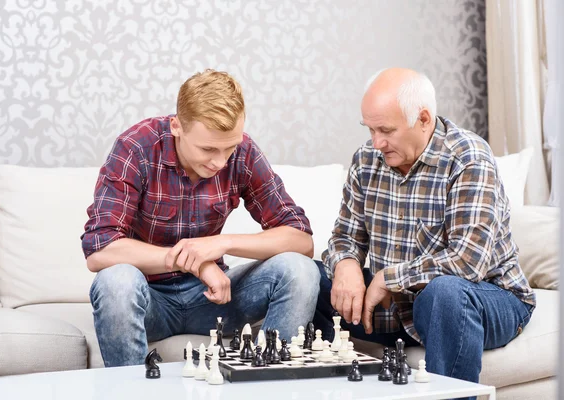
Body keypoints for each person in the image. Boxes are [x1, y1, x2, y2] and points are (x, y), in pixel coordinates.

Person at [314, 68, 535, 390]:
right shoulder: (366, 159)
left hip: (484, 298)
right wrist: (346, 266)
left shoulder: (468, 159)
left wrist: (389, 278)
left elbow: (467, 261)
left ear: (424, 119)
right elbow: (346, 236)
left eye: (386, 130)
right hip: (395, 307)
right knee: (308, 278)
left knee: (444, 293)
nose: (377, 143)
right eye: (370, 129)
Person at [81, 69, 320, 367]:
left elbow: (301, 240)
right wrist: (196, 262)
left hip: (214, 300)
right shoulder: (136, 148)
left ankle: (266, 382)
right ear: (177, 127)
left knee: (300, 270)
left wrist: (222, 243)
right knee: (115, 281)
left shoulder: (243, 152)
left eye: (229, 147)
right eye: (207, 149)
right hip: (150, 301)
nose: (220, 161)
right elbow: (100, 250)